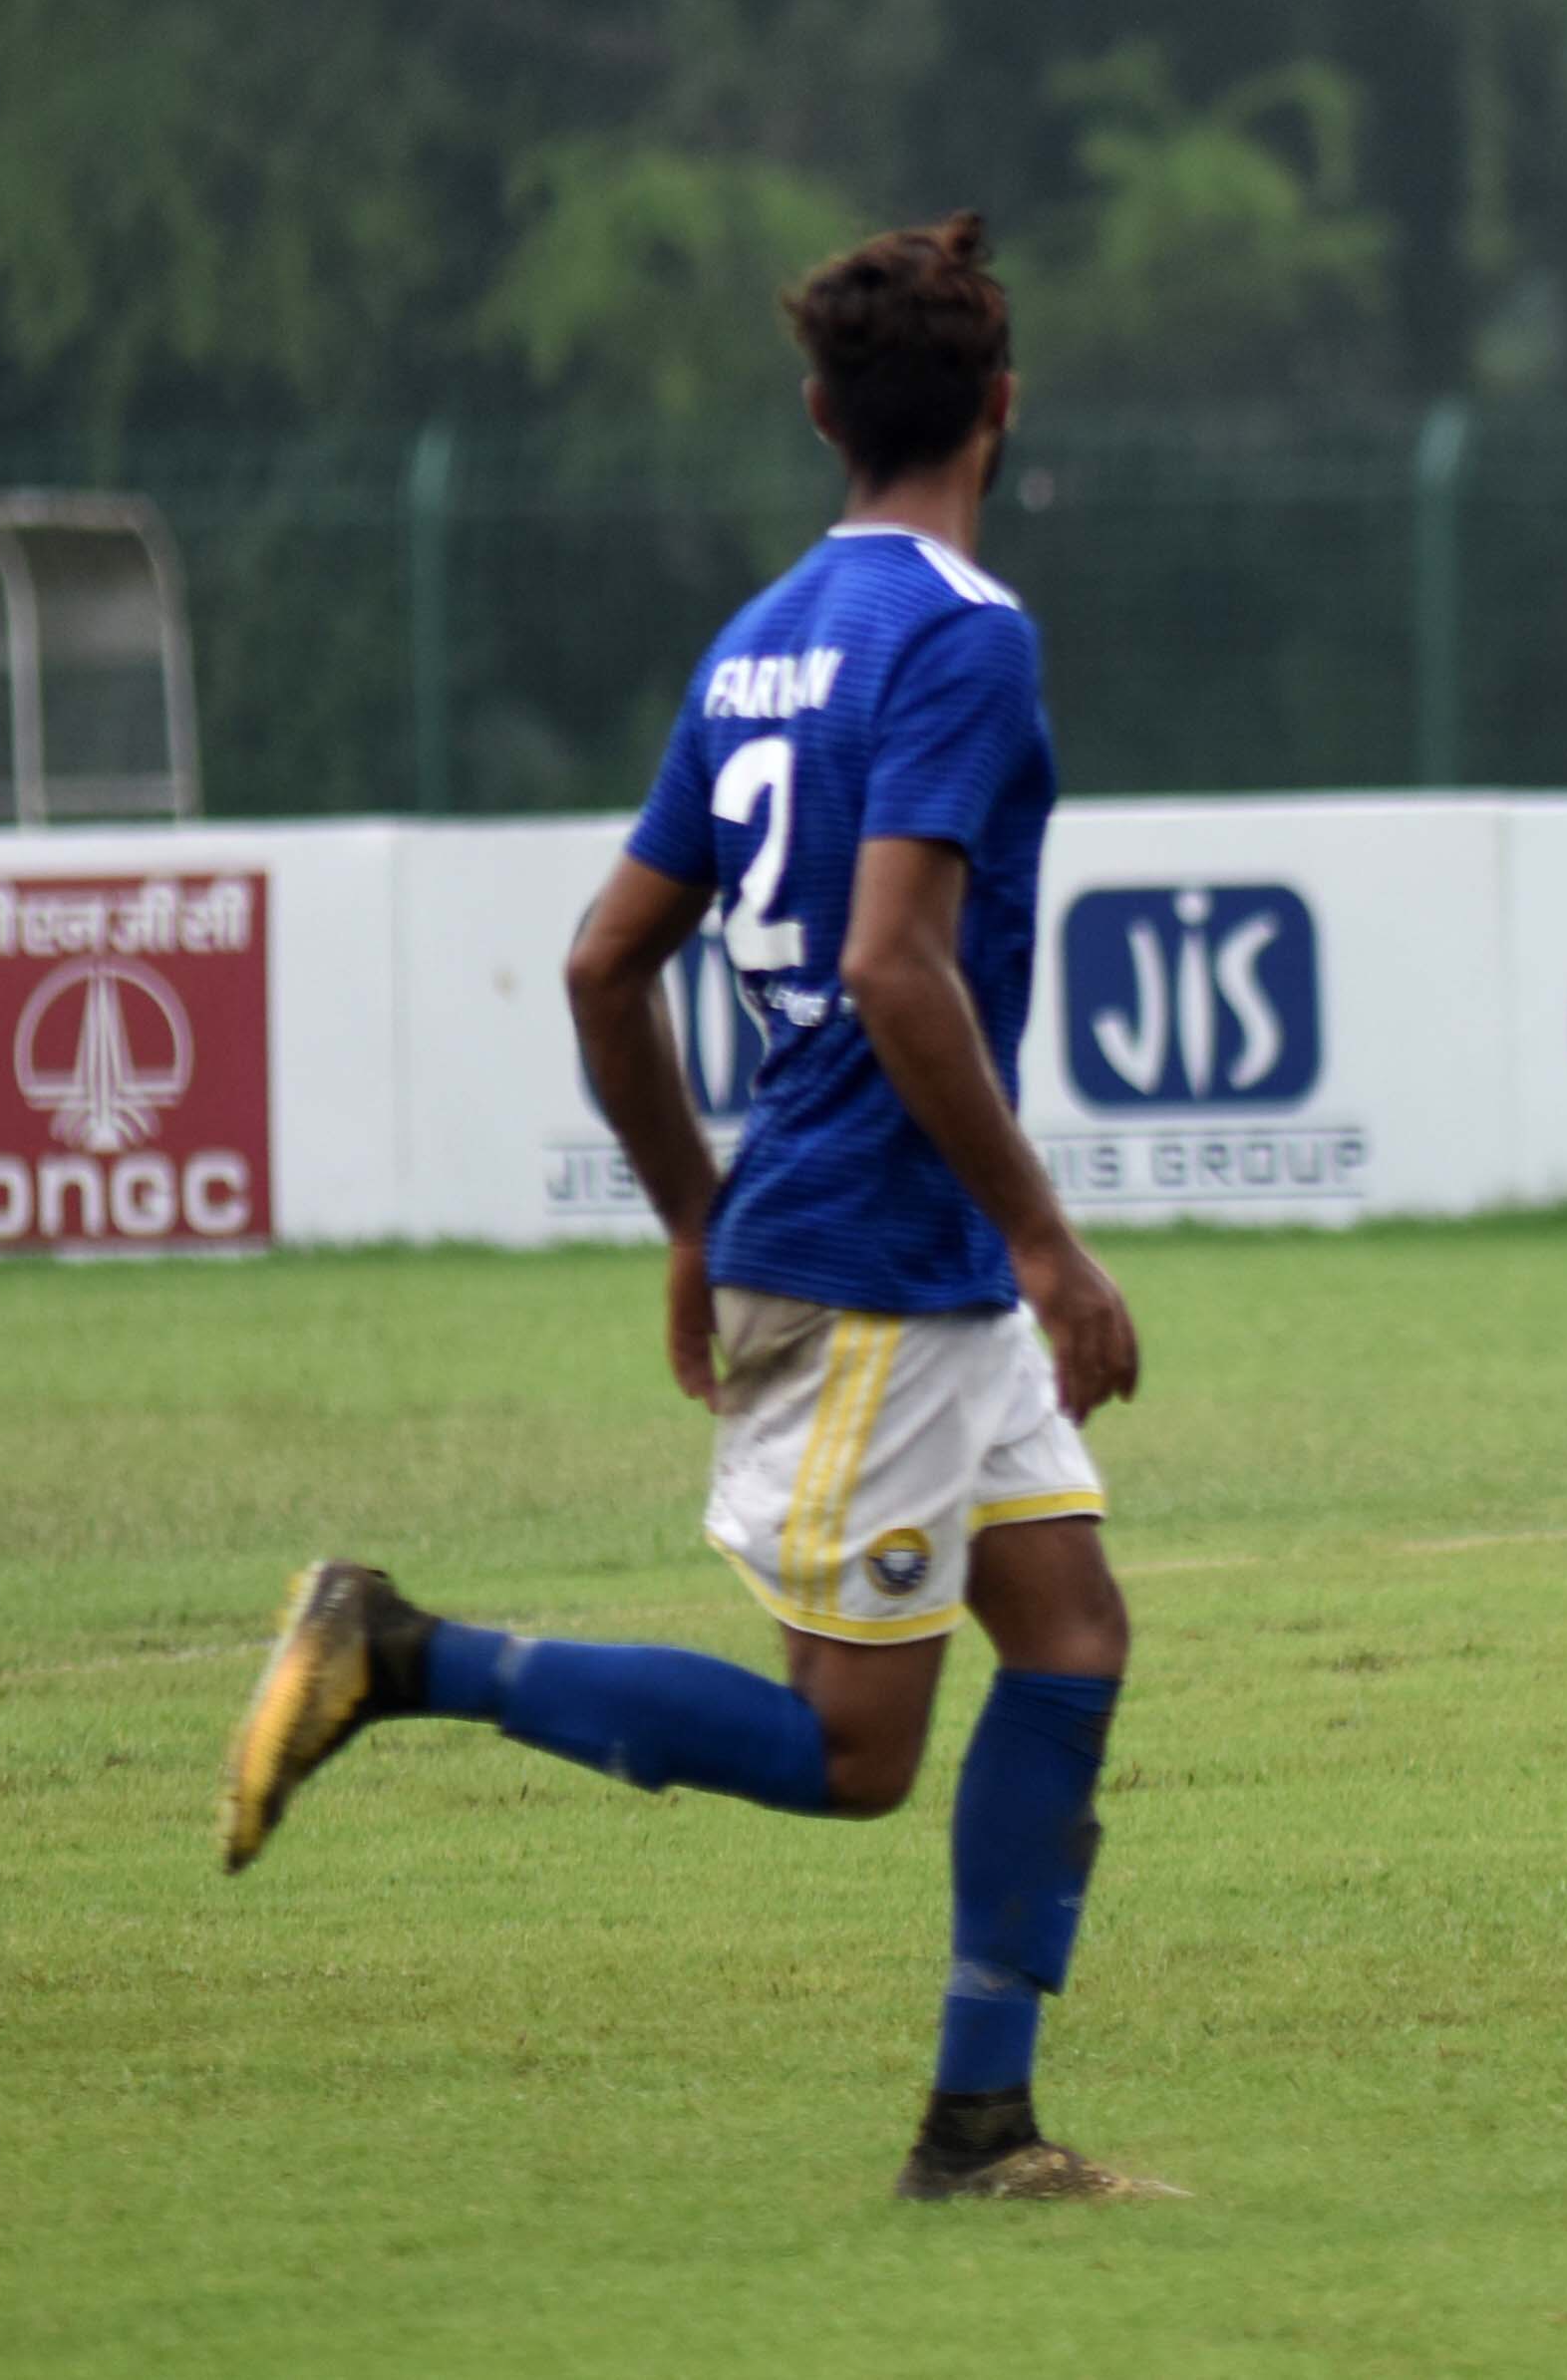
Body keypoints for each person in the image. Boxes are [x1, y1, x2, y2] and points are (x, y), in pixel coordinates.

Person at [216, 213, 1172, 2193]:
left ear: (821, 410)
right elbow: (902, 970)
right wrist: (1044, 1236)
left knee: (1068, 1631)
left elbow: (601, 960)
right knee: (852, 1748)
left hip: (860, 1244)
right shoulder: (967, 635)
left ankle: (980, 2123)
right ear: (1001, 407)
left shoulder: (759, 640)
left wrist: (680, 1210)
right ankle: (402, 1652)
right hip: (881, 1258)